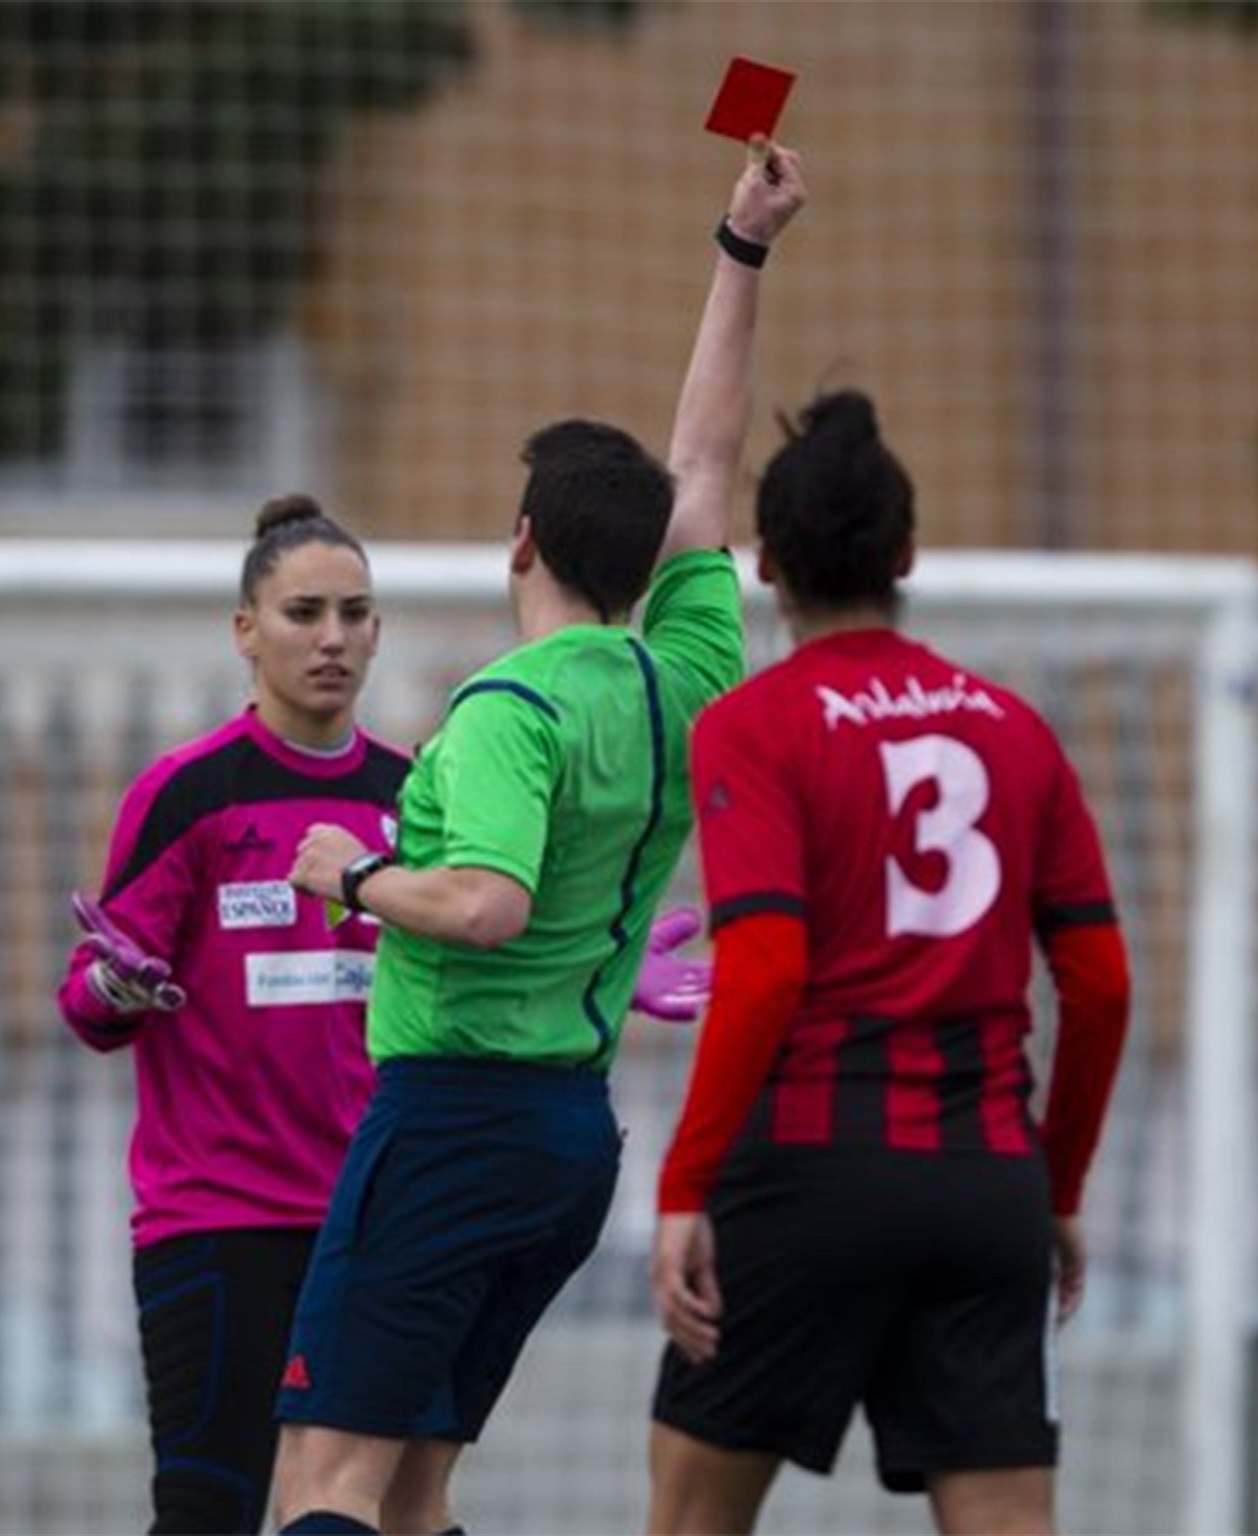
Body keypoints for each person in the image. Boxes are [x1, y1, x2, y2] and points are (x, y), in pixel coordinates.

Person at [267, 137, 809, 1536]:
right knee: (416, 1490)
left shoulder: (507, 707)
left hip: (452, 1119)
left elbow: (492, 901)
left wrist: (358, 873)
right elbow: (706, 457)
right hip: (571, 1136)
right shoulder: (685, 671)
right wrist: (739, 251)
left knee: (319, 1482)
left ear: (520, 541)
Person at [645, 391, 1135, 1536]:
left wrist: (682, 1187)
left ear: (764, 565)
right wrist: (1051, 1185)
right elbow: (1102, 987)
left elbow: (761, 969)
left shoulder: (756, 724)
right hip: (982, 1176)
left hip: (807, 1172)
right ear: (905, 553)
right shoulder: (1013, 729)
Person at [54, 495, 411, 1536]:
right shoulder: (185, 795)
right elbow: (91, 998)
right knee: (210, 1509)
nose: (333, 637)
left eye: (354, 612)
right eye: (304, 612)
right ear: (245, 632)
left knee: (383, 1509)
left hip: (375, 1223)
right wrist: (112, 987)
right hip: (218, 1224)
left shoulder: (417, 793)